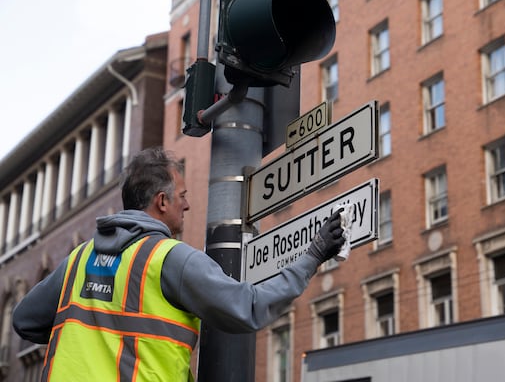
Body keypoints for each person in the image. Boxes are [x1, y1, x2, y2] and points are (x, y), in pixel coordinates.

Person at [13, 147, 345, 382]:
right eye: (182, 195)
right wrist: (313, 255)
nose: (186, 205)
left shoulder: (79, 259)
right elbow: (250, 306)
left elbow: (26, 322)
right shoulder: (170, 258)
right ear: (162, 201)